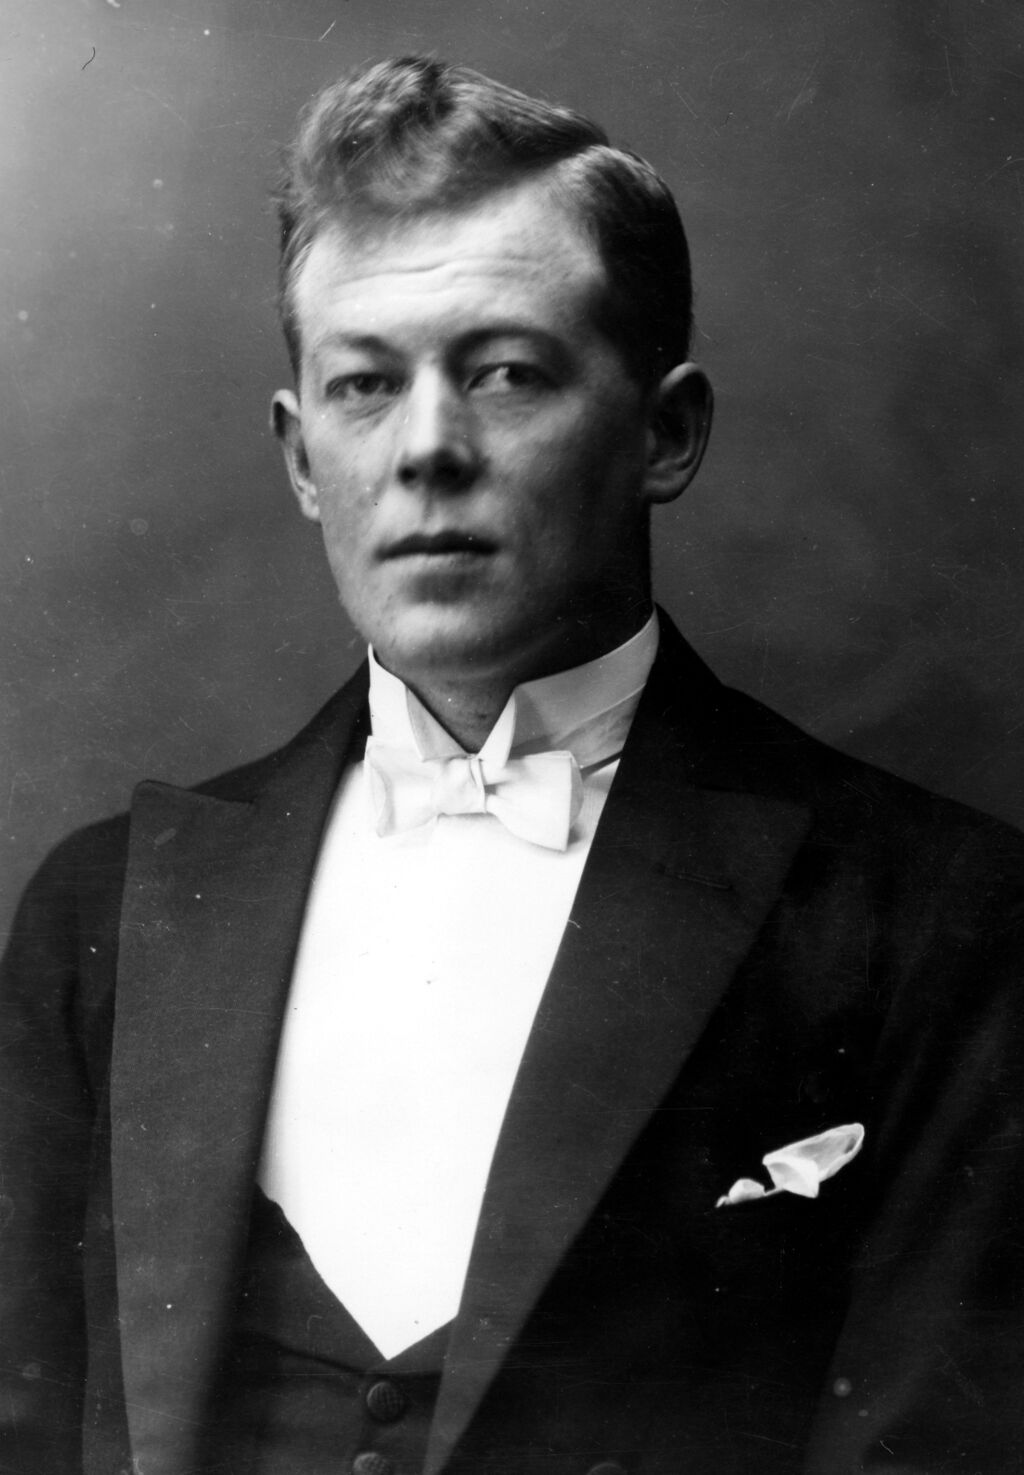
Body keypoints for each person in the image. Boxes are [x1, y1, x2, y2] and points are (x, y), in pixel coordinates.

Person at [2, 55, 1023, 1475]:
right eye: (366, 385)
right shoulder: (104, 915)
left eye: (505, 373)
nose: (428, 449)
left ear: (666, 434)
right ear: (301, 459)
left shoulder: (943, 922)